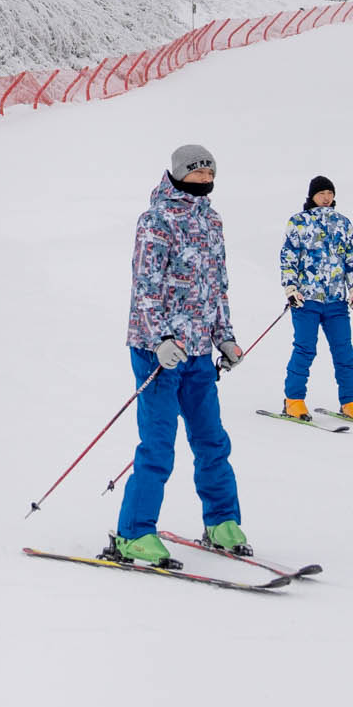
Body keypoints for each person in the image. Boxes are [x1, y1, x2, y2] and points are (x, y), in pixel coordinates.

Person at [107, 143, 251, 567]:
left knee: (211, 440)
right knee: (158, 444)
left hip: (199, 353)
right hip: (159, 352)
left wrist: (224, 337)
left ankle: (222, 521)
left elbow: (217, 287)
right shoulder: (155, 221)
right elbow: (146, 285)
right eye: (199, 172)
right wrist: (159, 340)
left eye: (211, 173)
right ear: (179, 173)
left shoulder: (212, 221)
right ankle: (134, 533)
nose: (206, 179)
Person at [279, 175, 353, 422]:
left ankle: (350, 401)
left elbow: (352, 259)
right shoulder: (299, 222)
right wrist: (290, 288)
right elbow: (288, 257)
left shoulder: (343, 223)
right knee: (305, 349)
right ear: (312, 196)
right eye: (322, 193)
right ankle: (293, 401)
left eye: (330, 193)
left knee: (344, 352)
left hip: (336, 300)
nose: (327, 198)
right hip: (307, 300)